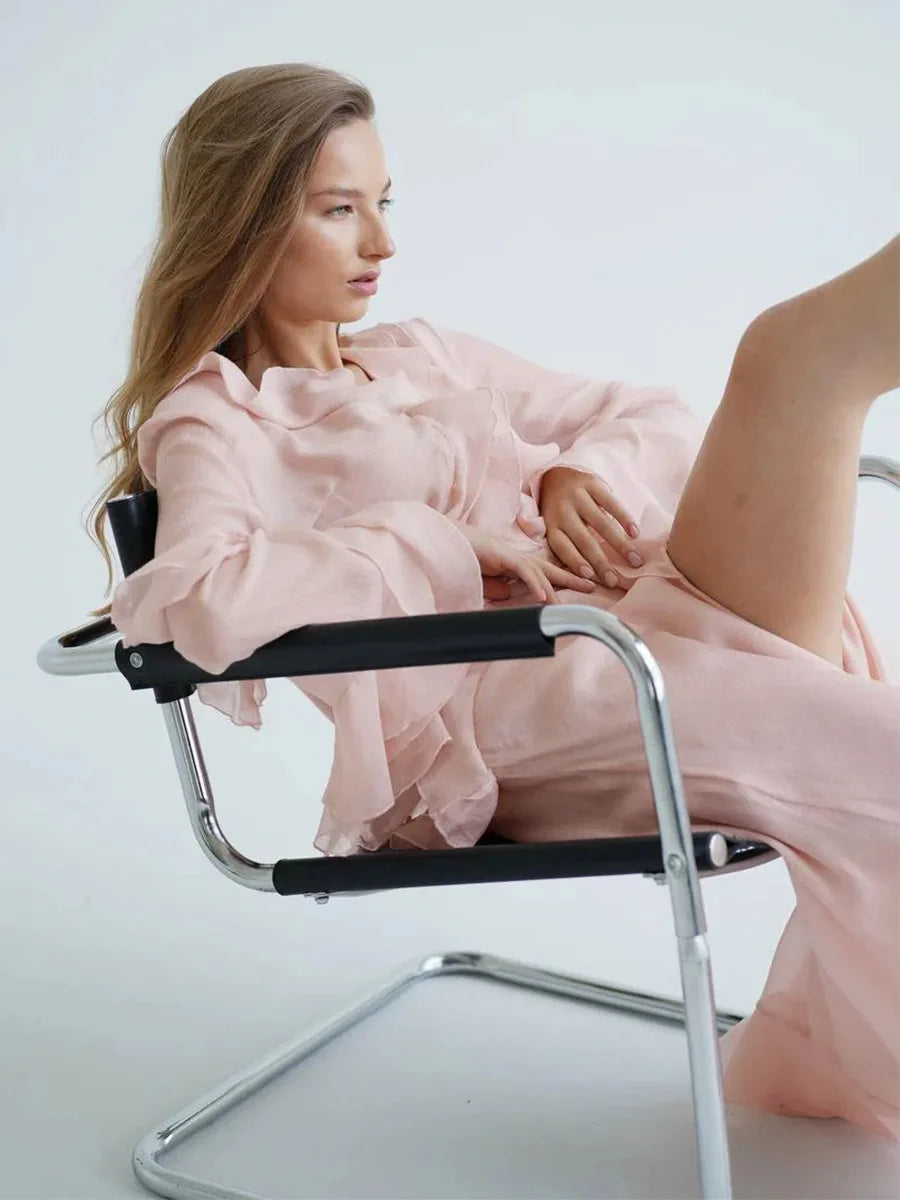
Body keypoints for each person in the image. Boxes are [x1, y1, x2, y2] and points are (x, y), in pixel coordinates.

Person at [85, 64, 900, 1141]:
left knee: (793, 362)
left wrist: (571, 474)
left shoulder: (419, 353)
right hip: (503, 712)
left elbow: (643, 408)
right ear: (245, 223)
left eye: (384, 202)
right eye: (339, 210)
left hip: (629, 621)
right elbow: (190, 598)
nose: (382, 242)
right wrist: (435, 543)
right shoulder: (218, 420)